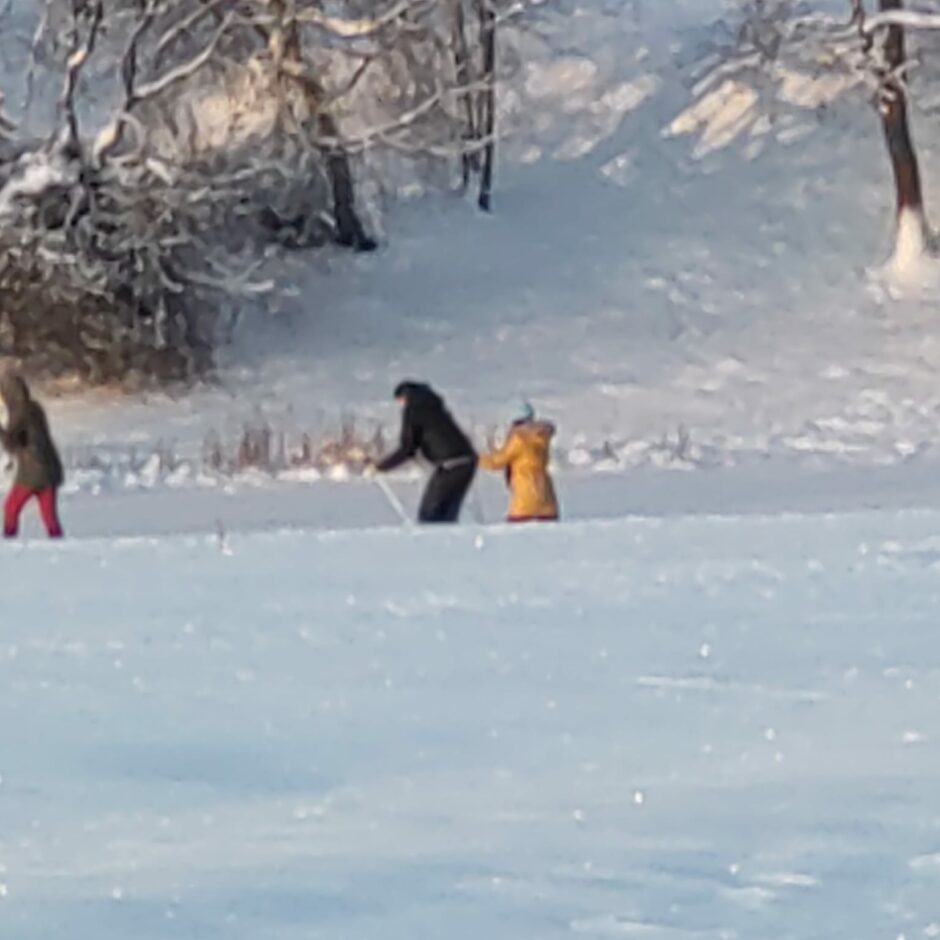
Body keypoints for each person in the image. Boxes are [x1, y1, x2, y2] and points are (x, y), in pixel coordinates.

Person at [373, 381, 476, 523]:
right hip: (467, 461)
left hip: (451, 464)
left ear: (404, 396)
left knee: (429, 514)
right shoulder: (435, 406)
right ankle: (451, 541)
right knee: (447, 513)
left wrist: (381, 467)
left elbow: (408, 447)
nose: (401, 405)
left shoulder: (413, 410)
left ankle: (431, 543)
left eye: (400, 401)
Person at [0, 370, 64, 538]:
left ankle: (8, 544)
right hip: (50, 469)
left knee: (10, 508)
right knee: (49, 517)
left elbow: (11, 443)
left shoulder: (19, 413)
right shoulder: (35, 408)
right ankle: (61, 547)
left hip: (31, 472)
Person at [479, 401, 559, 523]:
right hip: (546, 500)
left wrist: (475, 459)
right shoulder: (541, 437)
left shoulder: (519, 439)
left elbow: (497, 461)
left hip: (525, 502)